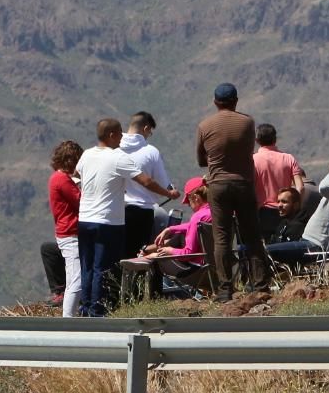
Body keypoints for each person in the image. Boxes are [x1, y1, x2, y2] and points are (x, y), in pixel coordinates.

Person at [75, 119, 178, 316]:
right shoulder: (117, 157)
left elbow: (77, 174)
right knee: (102, 268)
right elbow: (145, 180)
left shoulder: (87, 154)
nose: (123, 137)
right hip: (107, 221)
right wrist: (168, 193)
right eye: (120, 133)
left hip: (85, 219)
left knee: (86, 266)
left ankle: (85, 307)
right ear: (112, 135)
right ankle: (98, 311)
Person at [196, 83, 270, 301]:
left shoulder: (204, 126)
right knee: (252, 236)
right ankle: (260, 285)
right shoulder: (247, 122)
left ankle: (225, 289)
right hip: (243, 184)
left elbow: (201, 160)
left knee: (222, 238)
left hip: (218, 185)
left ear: (215, 102)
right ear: (236, 101)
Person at [120, 111, 172, 259]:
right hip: (142, 213)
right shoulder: (150, 152)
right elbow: (163, 183)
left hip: (116, 210)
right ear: (146, 128)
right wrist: (170, 191)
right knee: (138, 256)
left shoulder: (114, 149)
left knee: (118, 254)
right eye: (150, 133)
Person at [47, 140, 82, 314]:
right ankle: (68, 319)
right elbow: (80, 201)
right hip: (70, 233)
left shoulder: (56, 177)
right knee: (76, 280)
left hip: (66, 232)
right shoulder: (62, 180)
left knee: (75, 278)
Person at [252, 123, 305, 240]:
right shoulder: (288, 158)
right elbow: (300, 187)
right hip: (286, 211)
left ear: (257, 140)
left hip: (262, 212)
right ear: (275, 139)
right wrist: (295, 207)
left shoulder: (253, 160)